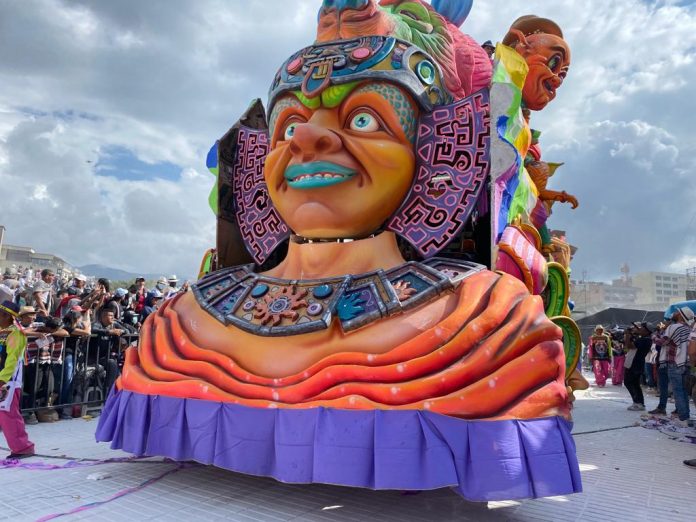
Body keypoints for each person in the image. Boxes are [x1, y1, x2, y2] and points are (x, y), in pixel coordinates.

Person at [0, 300, 35, 458]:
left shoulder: (15, 333)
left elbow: (12, 359)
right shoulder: (2, 330)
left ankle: (22, 447)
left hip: (8, 381)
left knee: (9, 414)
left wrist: (2, 380)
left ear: (7, 316)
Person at [661, 308, 693, 428]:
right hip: (686, 363)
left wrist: (655, 336)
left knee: (678, 391)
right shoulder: (688, 329)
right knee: (684, 391)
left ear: (680, 315)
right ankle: (686, 416)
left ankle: (683, 418)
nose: (673, 313)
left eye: (676, 312)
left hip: (675, 363)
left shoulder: (673, 327)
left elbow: (662, 342)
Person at [59, 306, 91, 419]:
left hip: (74, 355)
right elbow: (87, 332)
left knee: (71, 381)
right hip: (67, 355)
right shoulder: (67, 328)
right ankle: (62, 408)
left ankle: (65, 408)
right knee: (67, 381)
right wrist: (86, 325)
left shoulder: (73, 327)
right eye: (79, 318)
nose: (81, 321)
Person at [624, 323, 652, 411]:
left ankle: (637, 402)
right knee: (635, 384)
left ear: (647, 331)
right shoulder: (643, 339)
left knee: (629, 382)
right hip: (636, 363)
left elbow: (629, 346)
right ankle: (639, 403)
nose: (640, 329)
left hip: (635, 363)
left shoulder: (645, 340)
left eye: (642, 328)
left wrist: (628, 335)